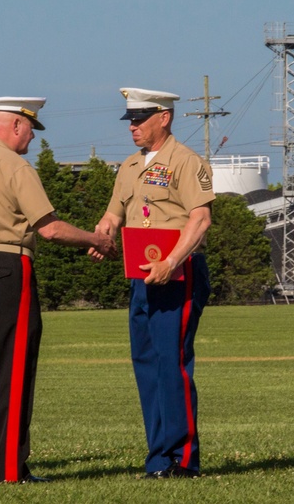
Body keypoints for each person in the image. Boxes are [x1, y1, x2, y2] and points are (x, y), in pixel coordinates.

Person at [0, 97, 116, 484]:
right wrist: (97, 240)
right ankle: (7, 470)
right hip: (7, 266)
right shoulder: (15, 166)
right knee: (12, 371)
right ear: (17, 125)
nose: (32, 138)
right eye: (31, 128)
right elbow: (49, 228)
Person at [91, 87, 214, 479]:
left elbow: (200, 219)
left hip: (177, 274)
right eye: (129, 119)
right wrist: (103, 234)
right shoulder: (129, 166)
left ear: (164, 117)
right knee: (146, 363)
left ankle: (182, 457)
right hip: (141, 278)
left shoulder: (186, 162)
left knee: (171, 362)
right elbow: (114, 214)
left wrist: (172, 260)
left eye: (140, 119)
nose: (133, 126)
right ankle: (159, 456)